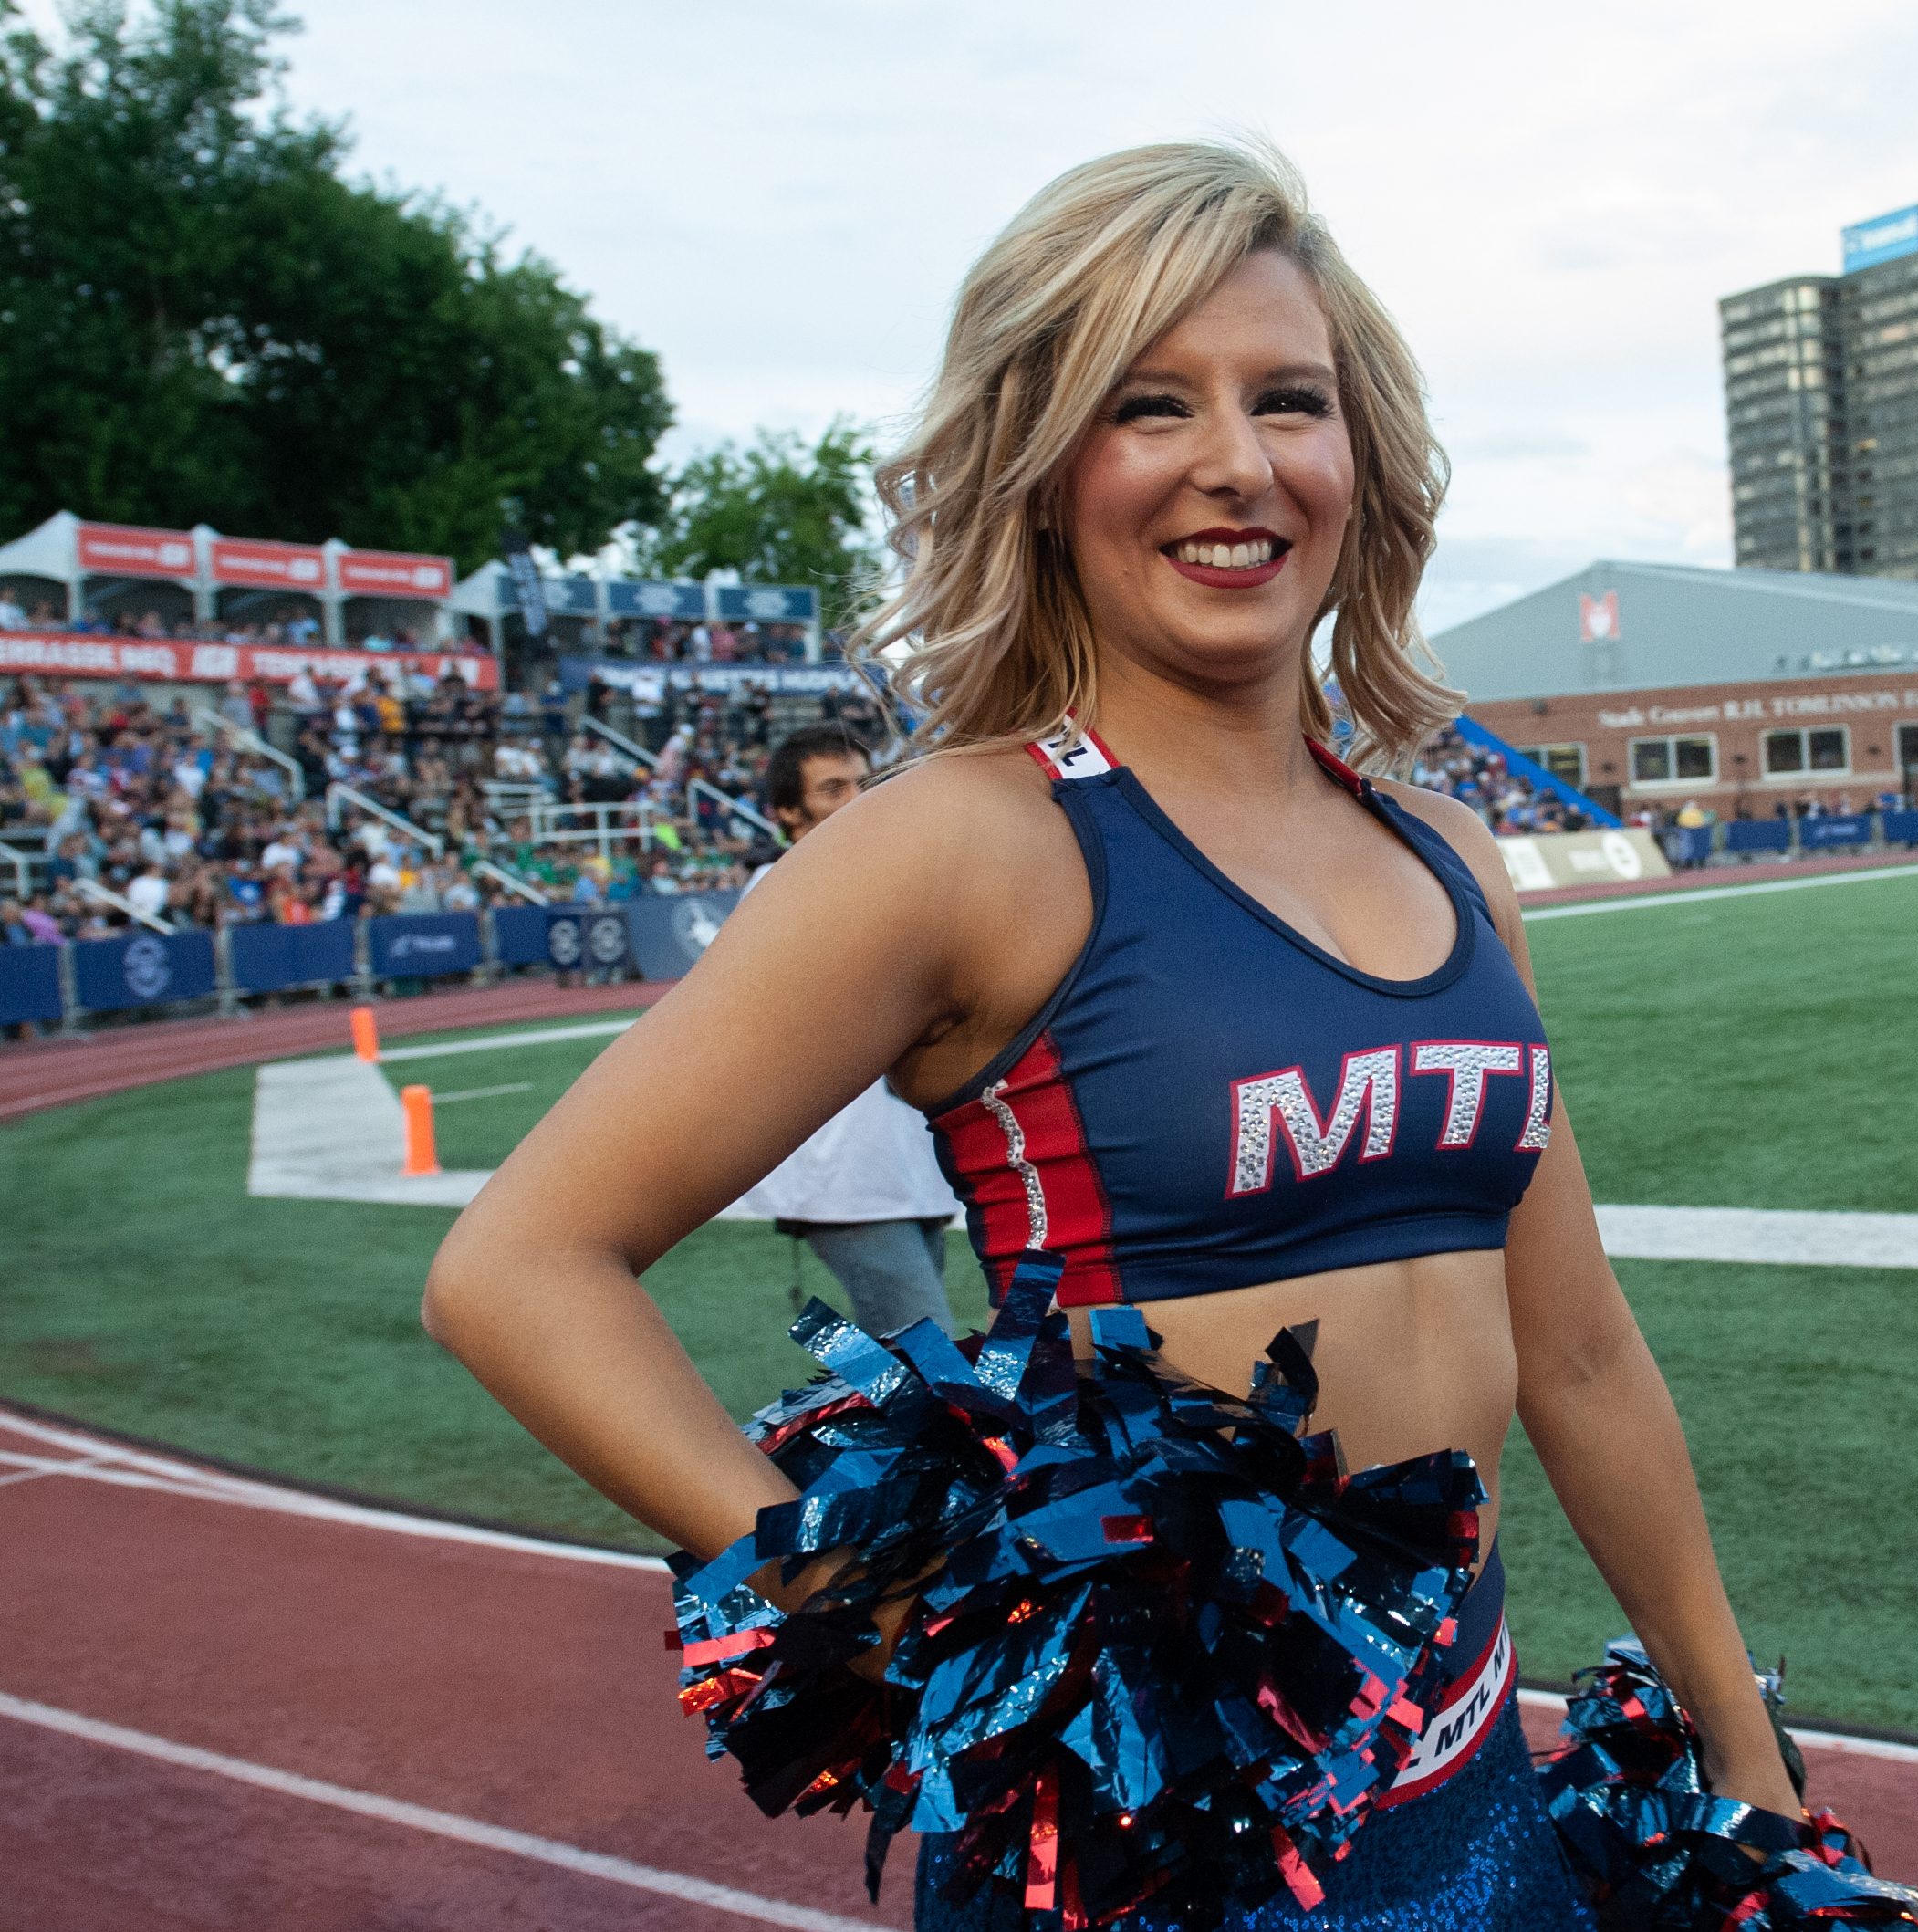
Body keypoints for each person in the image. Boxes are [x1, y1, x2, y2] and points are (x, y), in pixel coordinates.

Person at [422, 141, 1801, 1928]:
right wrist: (873, 1598)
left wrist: (1737, 1736)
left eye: (1287, 399)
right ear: (1046, 468)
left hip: (1474, 1792)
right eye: (1148, 405)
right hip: (1148, 1853)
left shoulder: (1450, 854)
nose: (1236, 459)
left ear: (1359, 456)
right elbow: (519, 1264)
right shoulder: (966, 844)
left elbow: (1582, 1349)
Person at [730, 721, 965, 1340]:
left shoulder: (883, 884)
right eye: (834, 788)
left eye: (866, 783)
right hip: (843, 1178)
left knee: (908, 1356)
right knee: (930, 1352)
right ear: (787, 811)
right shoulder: (776, 892)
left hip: (905, 1165)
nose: (859, 800)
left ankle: (855, 1430)